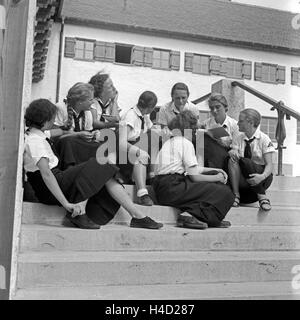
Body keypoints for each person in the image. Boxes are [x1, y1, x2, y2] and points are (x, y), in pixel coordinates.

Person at [24, 99, 163, 230]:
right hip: (48, 188)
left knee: (104, 172)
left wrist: (76, 134)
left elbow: (59, 131)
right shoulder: (35, 141)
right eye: (52, 118)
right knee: (100, 164)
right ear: (45, 120)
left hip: (57, 178)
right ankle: (80, 211)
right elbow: (47, 175)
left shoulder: (38, 133)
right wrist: (65, 204)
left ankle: (137, 215)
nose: (54, 120)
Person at [152, 110, 234, 229]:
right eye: (194, 129)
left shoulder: (171, 141)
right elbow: (194, 176)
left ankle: (210, 217)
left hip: (163, 187)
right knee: (226, 192)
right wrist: (217, 177)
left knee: (214, 183)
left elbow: (193, 168)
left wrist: (215, 170)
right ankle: (192, 216)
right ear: (189, 128)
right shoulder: (185, 143)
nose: (196, 132)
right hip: (172, 186)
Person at [228, 108, 275, 211]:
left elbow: (270, 165)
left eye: (240, 121)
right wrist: (232, 152)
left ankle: (262, 196)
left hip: (262, 178)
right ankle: (236, 194)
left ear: (250, 122)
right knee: (233, 160)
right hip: (245, 182)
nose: (237, 123)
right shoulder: (238, 138)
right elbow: (234, 152)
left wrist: (261, 176)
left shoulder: (264, 138)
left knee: (246, 162)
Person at [118, 91, 160, 206]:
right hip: (124, 154)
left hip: (136, 151)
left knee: (154, 137)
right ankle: (142, 194)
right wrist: (139, 151)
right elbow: (121, 143)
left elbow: (153, 129)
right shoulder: (130, 115)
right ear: (151, 108)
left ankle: (152, 175)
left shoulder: (144, 115)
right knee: (142, 149)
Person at [51, 82, 101, 170]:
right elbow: (53, 135)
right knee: (68, 141)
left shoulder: (87, 113)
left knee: (98, 146)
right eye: (90, 100)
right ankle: (70, 170)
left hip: (77, 146)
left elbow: (86, 133)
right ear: (80, 102)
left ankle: (91, 171)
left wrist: (92, 134)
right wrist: (77, 134)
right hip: (61, 147)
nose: (93, 102)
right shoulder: (61, 108)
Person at [199, 93, 239, 170]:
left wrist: (221, 141)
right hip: (209, 156)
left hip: (226, 157)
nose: (214, 111)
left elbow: (235, 148)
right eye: (211, 108)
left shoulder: (235, 125)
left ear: (225, 107)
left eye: (218, 107)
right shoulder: (205, 124)